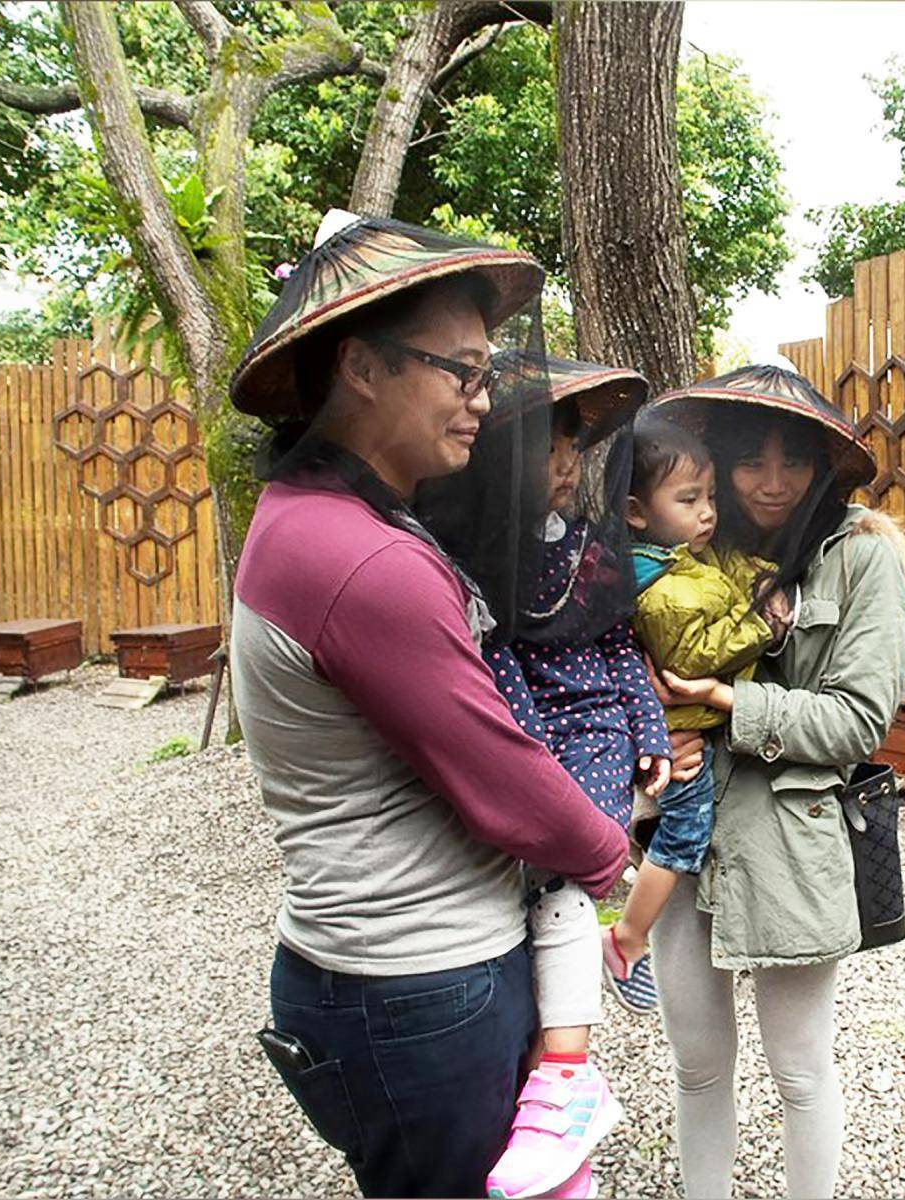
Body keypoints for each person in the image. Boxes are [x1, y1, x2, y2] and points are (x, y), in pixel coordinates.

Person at [228, 209, 628, 1200]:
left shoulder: (317, 518)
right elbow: (504, 787)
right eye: (461, 370)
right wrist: (615, 848)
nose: (483, 402)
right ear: (361, 367)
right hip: (418, 983)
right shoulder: (362, 558)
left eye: (486, 374)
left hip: (364, 967)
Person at [643, 365, 905, 1200]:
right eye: (749, 462)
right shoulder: (684, 551)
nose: (769, 482)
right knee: (696, 1067)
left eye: (790, 461)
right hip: (684, 836)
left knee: (800, 1071)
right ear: (718, 464)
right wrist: (652, 728)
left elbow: (856, 723)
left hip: (794, 844)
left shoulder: (862, 561)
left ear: (822, 467)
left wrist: (729, 701)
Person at [438, 355, 671, 1200]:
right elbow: (492, 663)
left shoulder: (589, 548)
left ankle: (567, 1078)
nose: (569, 464)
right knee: (542, 889)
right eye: (549, 447)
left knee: (565, 885)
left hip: (602, 728)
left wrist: (650, 729)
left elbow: (618, 645)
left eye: (575, 447)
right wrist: (530, 763)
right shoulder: (475, 551)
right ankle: (559, 1081)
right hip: (533, 736)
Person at [601, 412, 793, 1010]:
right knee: (684, 834)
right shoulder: (653, 584)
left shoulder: (683, 556)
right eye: (689, 499)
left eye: (709, 496)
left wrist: (762, 577)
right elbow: (693, 658)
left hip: (691, 732)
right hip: (682, 739)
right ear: (636, 511)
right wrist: (761, 625)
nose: (707, 512)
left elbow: (725, 576)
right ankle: (628, 937)